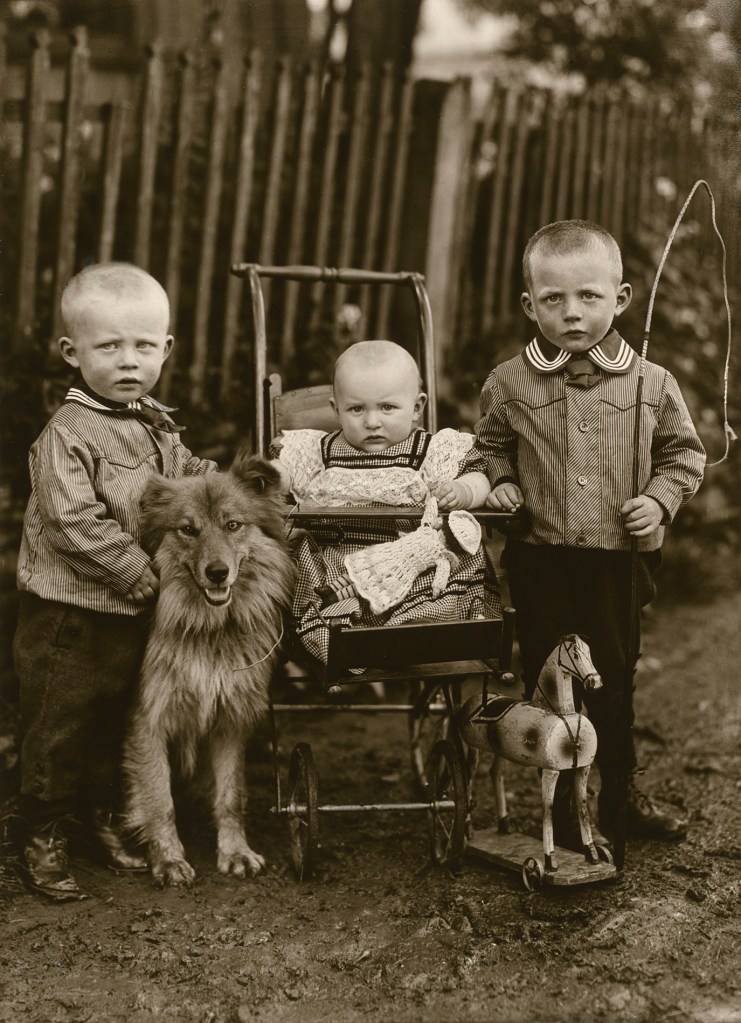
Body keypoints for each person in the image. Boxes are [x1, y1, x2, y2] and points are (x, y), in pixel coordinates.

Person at [462, 220, 706, 849]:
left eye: (589, 297)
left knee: (613, 680)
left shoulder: (651, 384)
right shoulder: (509, 382)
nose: (571, 313)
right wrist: (501, 480)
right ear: (530, 304)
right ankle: (566, 813)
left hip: (615, 563)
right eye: (553, 299)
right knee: (548, 681)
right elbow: (488, 448)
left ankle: (621, 797)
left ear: (620, 299)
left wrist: (659, 498)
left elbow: (684, 455)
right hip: (539, 557)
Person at [13, 262, 218, 901]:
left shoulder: (152, 422)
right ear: (73, 353)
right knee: (61, 721)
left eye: (144, 346)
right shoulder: (66, 435)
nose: (129, 360)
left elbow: (188, 474)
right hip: (70, 617)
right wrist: (139, 571)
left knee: (115, 719)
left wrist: (228, 484)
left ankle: (101, 816)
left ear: (166, 349)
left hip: (133, 615)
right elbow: (72, 521)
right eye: (108, 346)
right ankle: (40, 832)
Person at [272, 340, 499, 669]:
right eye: (356, 409)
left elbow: (478, 475)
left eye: (387, 408)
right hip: (336, 562)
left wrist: (464, 490)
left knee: (452, 557)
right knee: (306, 572)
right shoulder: (317, 451)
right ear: (336, 410)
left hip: (408, 560)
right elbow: (284, 472)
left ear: (417, 407)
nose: (372, 422)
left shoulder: (432, 451)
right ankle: (346, 643)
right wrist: (275, 476)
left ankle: (403, 634)